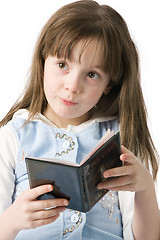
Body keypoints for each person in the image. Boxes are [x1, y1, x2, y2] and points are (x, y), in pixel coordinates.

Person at [0, 0, 159, 239]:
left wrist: (145, 188)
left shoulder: (120, 140)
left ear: (109, 85)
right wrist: (12, 221)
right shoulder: (13, 136)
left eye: (92, 74)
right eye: (62, 64)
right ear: (43, 62)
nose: (72, 86)